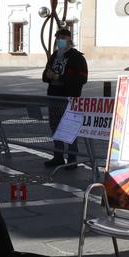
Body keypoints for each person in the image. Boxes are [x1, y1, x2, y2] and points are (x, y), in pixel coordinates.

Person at [42, 28, 88, 168]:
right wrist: (48, 76)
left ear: (69, 39)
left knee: (69, 127)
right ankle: (58, 156)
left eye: (62, 37)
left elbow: (82, 78)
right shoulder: (55, 55)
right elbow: (45, 74)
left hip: (69, 98)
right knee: (55, 127)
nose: (59, 40)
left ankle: (72, 158)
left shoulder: (77, 57)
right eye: (57, 38)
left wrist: (61, 78)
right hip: (54, 97)